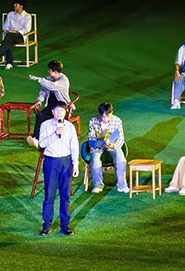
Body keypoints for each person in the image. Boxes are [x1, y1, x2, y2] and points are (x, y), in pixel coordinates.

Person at [39, 103, 79, 236]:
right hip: (51, 162)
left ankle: (65, 225)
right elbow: (41, 143)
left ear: (65, 112)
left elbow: (74, 146)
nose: (59, 113)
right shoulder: (45, 125)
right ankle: (46, 225)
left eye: (62, 111)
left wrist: (75, 164)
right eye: (57, 111)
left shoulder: (70, 127)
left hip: (66, 162)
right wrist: (55, 134)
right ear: (52, 112)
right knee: (49, 194)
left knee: (65, 195)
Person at [86, 103, 129, 194]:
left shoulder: (117, 121)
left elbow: (121, 138)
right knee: (95, 161)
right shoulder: (93, 121)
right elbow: (91, 137)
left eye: (107, 116)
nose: (105, 118)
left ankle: (122, 185)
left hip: (112, 145)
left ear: (111, 113)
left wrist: (114, 145)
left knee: (121, 159)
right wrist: (100, 144)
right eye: (102, 116)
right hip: (98, 146)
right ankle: (98, 185)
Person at [27, 60, 71, 148]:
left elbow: (53, 86)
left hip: (61, 105)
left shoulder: (64, 80)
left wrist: (39, 79)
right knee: (41, 116)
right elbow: (43, 91)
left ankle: (60, 139)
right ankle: (36, 139)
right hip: (51, 106)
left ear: (55, 72)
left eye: (50, 70)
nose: (48, 71)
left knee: (57, 116)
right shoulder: (48, 79)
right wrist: (39, 100)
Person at [0, 0, 32, 69]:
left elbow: (27, 29)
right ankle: (9, 63)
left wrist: (14, 32)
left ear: (21, 6)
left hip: (20, 37)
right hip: (9, 36)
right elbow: (5, 26)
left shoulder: (27, 16)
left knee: (8, 38)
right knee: (8, 41)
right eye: (14, 4)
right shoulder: (11, 14)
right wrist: (7, 30)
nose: (14, 5)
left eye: (16, 4)